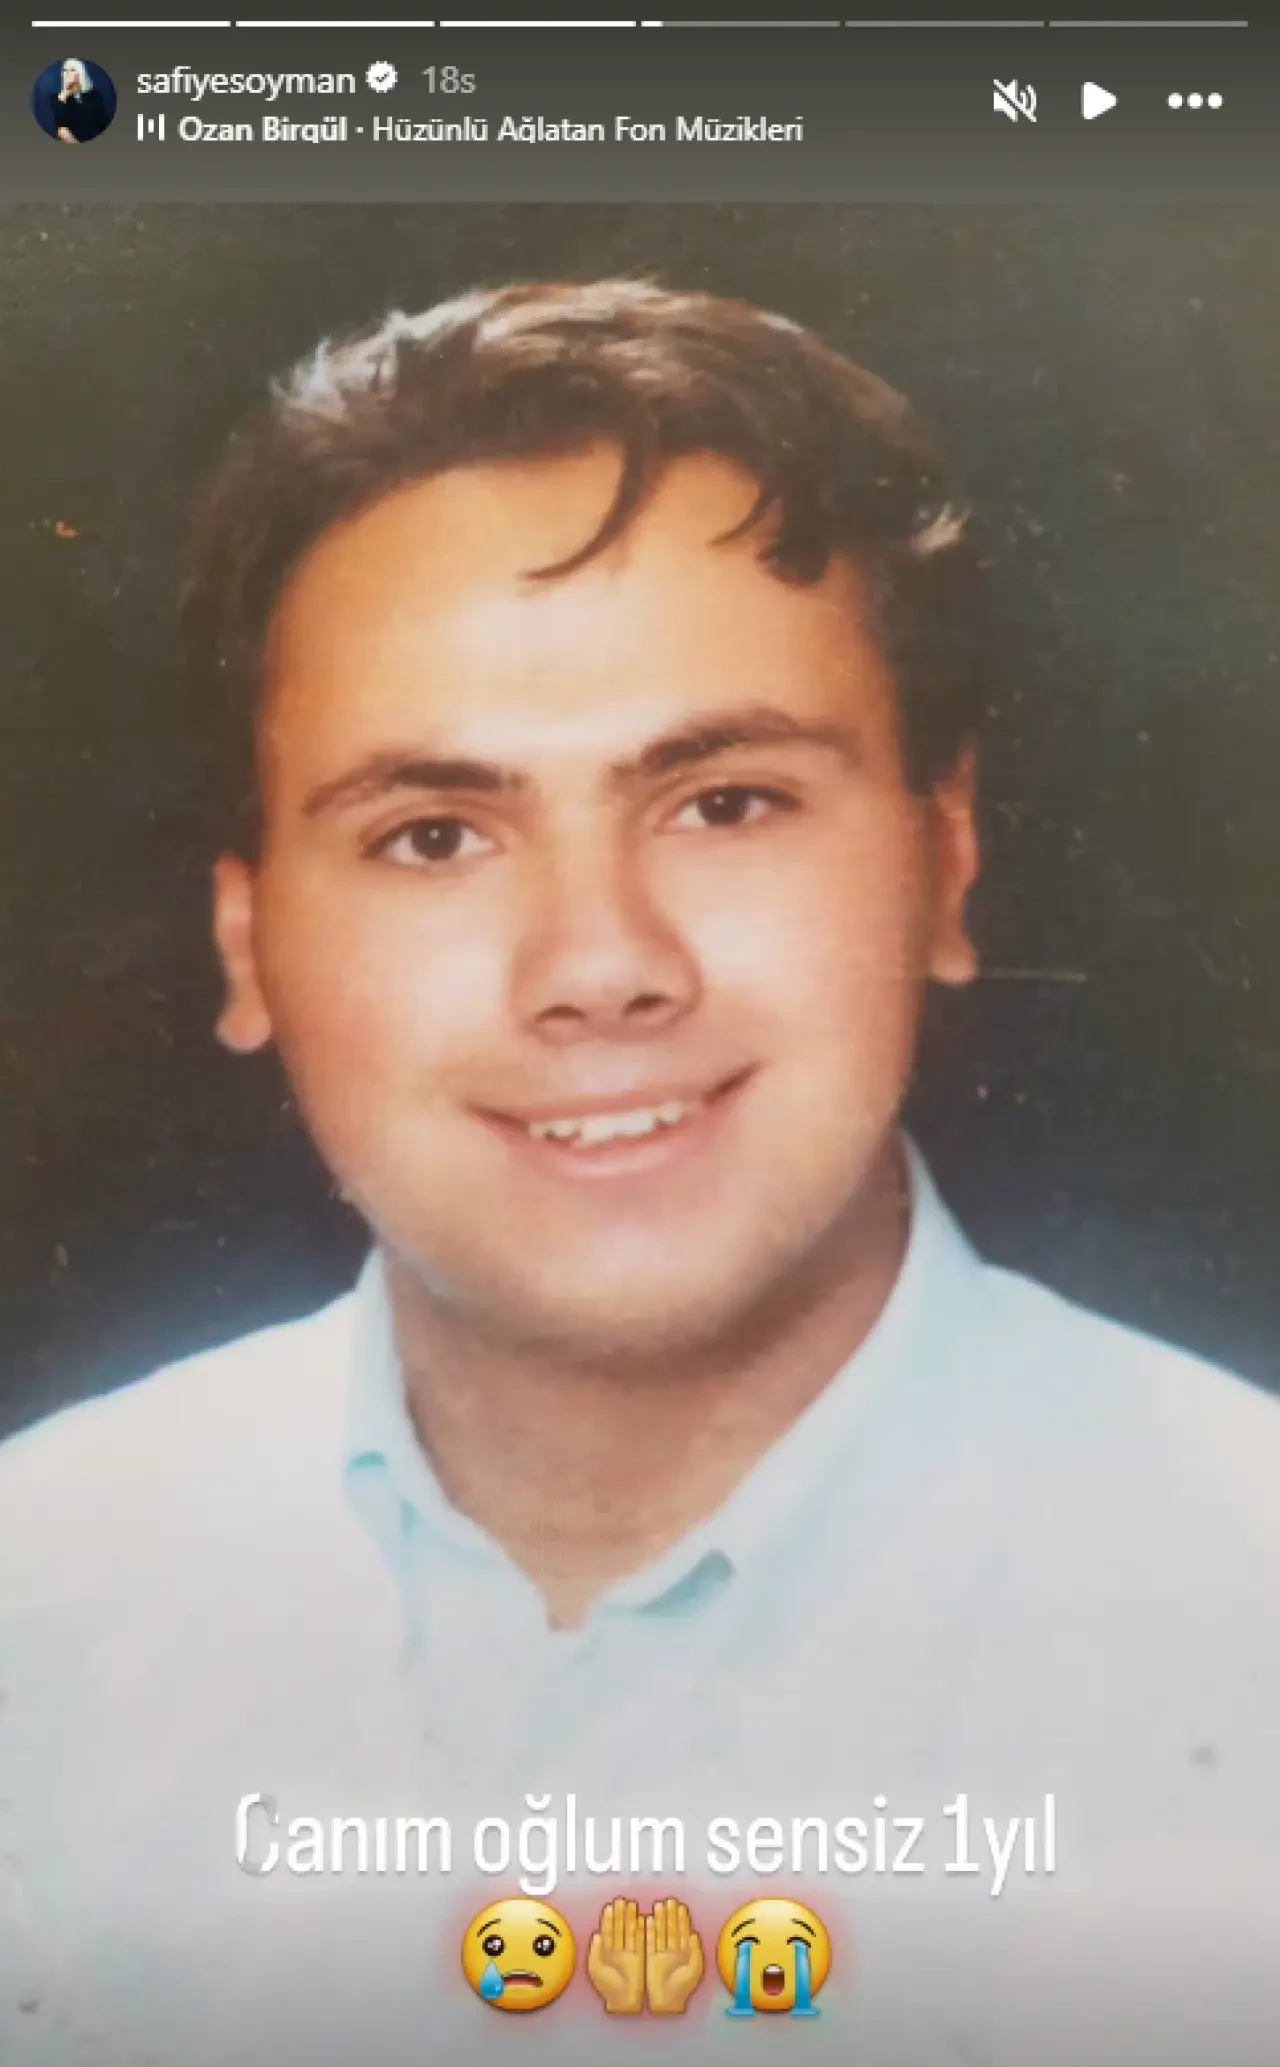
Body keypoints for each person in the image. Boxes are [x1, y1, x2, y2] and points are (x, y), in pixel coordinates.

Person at [2, 279, 1278, 2065]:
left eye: (724, 801)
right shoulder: (33, 1603)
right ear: (245, 943)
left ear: (948, 856)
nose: (599, 965)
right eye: (433, 835)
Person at [51, 58, 112, 144]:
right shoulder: (56, 98)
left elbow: (103, 122)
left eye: (72, 70)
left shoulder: (94, 95)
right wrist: (64, 95)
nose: (67, 73)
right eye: (65, 70)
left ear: (81, 73)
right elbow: (62, 131)